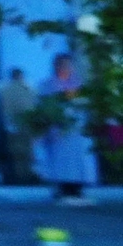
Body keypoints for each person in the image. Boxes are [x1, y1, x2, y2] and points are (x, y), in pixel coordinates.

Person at [35, 53, 100, 205]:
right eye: (61, 64)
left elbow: (86, 103)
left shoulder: (79, 83)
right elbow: (42, 105)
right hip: (58, 129)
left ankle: (78, 187)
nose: (64, 67)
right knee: (60, 160)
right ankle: (62, 187)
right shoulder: (48, 84)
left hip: (77, 130)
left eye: (67, 64)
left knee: (79, 160)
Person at [0, 67, 38, 183]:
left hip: (16, 125)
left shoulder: (6, 90)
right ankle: (23, 174)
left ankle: (21, 174)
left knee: (19, 152)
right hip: (22, 124)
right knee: (23, 151)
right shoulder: (27, 89)